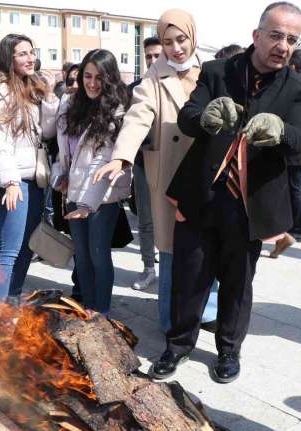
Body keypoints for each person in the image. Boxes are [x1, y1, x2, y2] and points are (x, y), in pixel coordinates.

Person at [141, 2, 301, 383]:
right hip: (203, 194)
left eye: (291, 38)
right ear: (256, 36)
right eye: (275, 35)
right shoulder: (219, 72)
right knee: (189, 276)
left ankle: (228, 351)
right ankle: (178, 346)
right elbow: (188, 117)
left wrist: (282, 132)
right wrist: (204, 117)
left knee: (237, 284)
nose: (283, 45)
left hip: (251, 205)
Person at [95, 10, 219, 332]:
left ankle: (208, 312)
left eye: (181, 40)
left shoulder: (213, 71)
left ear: (193, 36)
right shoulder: (153, 76)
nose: (176, 48)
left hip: (209, 172)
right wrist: (122, 156)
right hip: (170, 175)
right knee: (171, 249)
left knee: (211, 244)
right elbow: (138, 116)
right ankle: (169, 324)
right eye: (168, 42)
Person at [0, 33, 58, 326]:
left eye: (32, 52)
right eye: (22, 54)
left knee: (27, 245)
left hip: (33, 177)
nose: (30, 58)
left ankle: (10, 303)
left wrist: (49, 95)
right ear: (9, 58)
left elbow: (47, 132)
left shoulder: (31, 87)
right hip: (11, 180)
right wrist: (10, 182)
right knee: (8, 248)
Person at [53, 49, 130, 316]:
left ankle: (101, 313)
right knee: (82, 258)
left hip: (102, 196)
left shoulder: (117, 112)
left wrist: (88, 203)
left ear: (110, 79)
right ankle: (86, 308)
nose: (93, 83)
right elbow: (62, 152)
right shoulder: (70, 105)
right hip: (74, 192)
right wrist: (59, 176)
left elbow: (104, 160)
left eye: (100, 77)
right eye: (88, 75)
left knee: (98, 255)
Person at [271, 48, 301, 256]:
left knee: (286, 190)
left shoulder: (286, 85)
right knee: (295, 189)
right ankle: (296, 229)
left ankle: (294, 229)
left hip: (287, 146)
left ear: (291, 65)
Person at [128, 36, 160, 291]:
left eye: (156, 55)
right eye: (148, 56)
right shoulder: (136, 88)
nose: (152, 60)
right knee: (145, 219)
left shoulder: (181, 85)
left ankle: (171, 269)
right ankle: (149, 266)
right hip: (142, 163)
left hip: (171, 165)